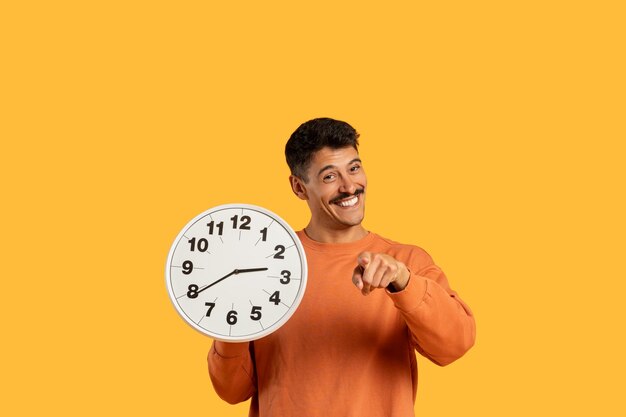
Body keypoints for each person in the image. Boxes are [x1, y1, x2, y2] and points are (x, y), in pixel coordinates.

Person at [208, 117, 476, 417]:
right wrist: (230, 319)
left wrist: (403, 282)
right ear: (299, 187)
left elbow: (455, 345)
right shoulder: (264, 264)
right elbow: (231, 391)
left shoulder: (407, 262)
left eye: (354, 168)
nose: (350, 186)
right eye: (329, 177)